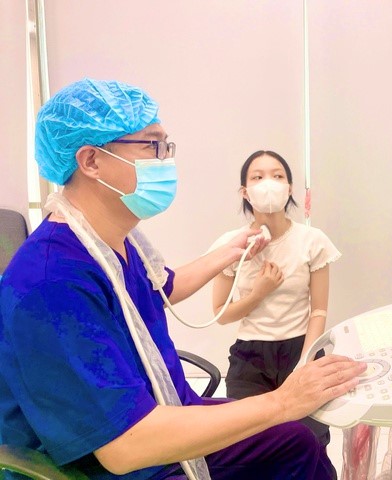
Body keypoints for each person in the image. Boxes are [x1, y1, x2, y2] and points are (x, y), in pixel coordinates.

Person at [0, 78, 365, 480]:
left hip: (166, 405)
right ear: (91, 161)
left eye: (167, 147)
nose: (166, 161)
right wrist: (283, 401)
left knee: (296, 441)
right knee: (285, 427)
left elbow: (161, 288)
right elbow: (124, 448)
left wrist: (231, 252)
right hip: (118, 459)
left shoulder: (110, 239)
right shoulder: (53, 282)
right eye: (152, 146)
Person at [208, 150, 341, 450]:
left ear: (289, 188)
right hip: (250, 357)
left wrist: (305, 363)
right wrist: (258, 293)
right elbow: (221, 314)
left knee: (309, 443)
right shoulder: (231, 245)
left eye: (277, 175)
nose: (268, 183)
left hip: (301, 348)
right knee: (250, 445)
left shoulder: (312, 241)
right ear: (245, 191)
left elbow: (318, 311)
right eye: (258, 177)